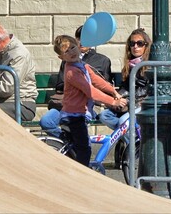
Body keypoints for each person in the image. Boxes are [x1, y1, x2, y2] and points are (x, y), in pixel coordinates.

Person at [53, 34, 126, 167]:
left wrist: (113, 91)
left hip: (80, 114)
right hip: (73, 116)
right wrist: (113, 102)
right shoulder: (72, 72)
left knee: (79, 147)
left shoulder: (82, 66)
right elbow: (91, 91)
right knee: (84, 149)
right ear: (61, 57)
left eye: (73, 47)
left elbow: (98, 81)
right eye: (66, 51)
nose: (71, 52)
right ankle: (81, 177)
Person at [39, 26, 117, 137]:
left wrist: (111, 97)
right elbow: (60, 84)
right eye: (79, 38)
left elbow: (102, 85)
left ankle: (72, 144)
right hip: (66, 103)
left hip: (90, 104)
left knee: (77, 132)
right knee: (46, 122)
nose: (82, 42)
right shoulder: (68, 59)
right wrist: (76, 83)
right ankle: (67, 143)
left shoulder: (102, 60)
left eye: (86, 38)